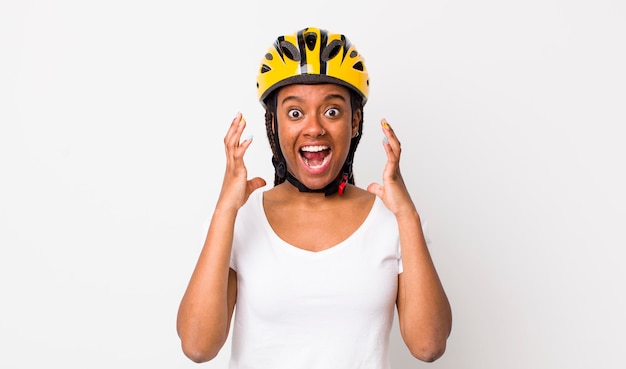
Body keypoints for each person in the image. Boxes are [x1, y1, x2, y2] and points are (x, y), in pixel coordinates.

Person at [176, 26, 452, 368]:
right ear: (273, 126)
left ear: (355, 122)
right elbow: (197, 347)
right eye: (295, 113)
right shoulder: (239, 219)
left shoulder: (393, 220)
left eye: (332, 111)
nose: (314, 128)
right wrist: (224, 212)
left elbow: (429, 346)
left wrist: (407, 216)